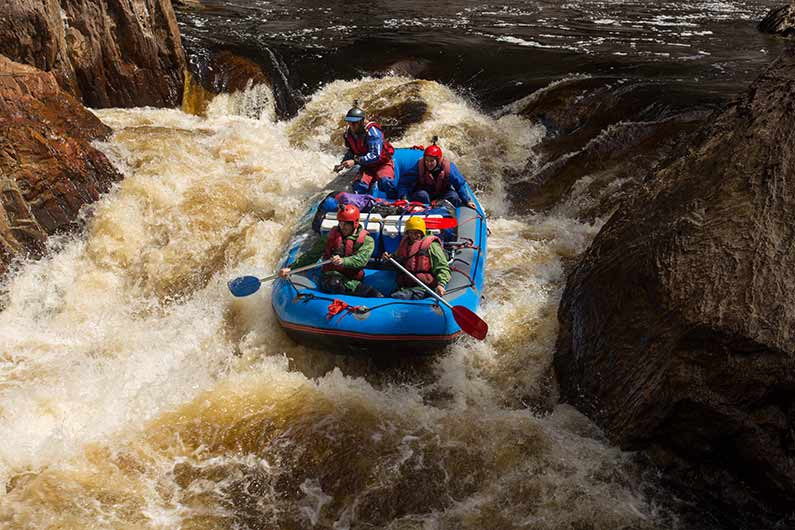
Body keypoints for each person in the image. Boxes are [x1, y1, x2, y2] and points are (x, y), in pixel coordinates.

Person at [280, 204, 383, 297]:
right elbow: (312, 255)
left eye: (346, 224)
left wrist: (343, 261)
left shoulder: (367, 241)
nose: (342, 227)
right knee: (335, 283)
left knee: (375, 294)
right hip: (331, 276)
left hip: (352, 279)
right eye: (340, 223)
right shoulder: (329, 237)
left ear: (355, 223)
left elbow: (361, 260)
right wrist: (292, 268)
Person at [332, 102, 396, 196]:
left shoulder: (373, 132)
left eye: (354, 123)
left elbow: (375, 155)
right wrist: (343, 163)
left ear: (361, 121)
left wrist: (355, 161)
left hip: (382, 164)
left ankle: (394, 200)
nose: (352, 125)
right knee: (359, 186)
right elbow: (351, 151)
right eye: (349, 122)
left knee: (385, 182)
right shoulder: (348, 134)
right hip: (366, 166)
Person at [381, 216, 450, 300]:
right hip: (405, 286)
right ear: (408, 233)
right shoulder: (405, 243)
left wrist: (441, 284)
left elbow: (442, 267)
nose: (417, 235)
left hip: (424, 288)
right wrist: (388, 258)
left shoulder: (431, 246)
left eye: (419, 232)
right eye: (413, 232)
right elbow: (397, 258)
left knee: (398, 297)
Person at [410, 139, 477, 210]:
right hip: (425, 193)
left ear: (438, 160)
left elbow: (459, 185)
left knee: (454, 197)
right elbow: (406, 182)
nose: (429, 163)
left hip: (442, 194)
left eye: (432, 161)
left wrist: (467, 200)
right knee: (421, 195)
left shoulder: (448, 168)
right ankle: (426, 209)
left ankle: (439, 208)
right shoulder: (420, 166)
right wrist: (404, 197)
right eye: (426, 160)